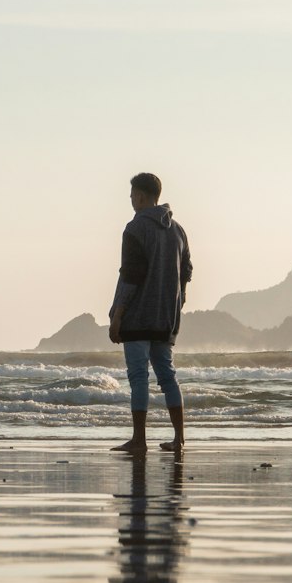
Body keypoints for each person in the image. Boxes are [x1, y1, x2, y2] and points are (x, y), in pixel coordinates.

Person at [109, 173, 192, 454]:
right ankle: (179, 439)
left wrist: (117, 314)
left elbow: (131, 275)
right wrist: (176, 303)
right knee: (168, 376)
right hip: (166, 318)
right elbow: (187, 271)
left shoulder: (135, 228)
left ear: (141, 196)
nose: (131, 200)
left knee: (138, 377)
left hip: (138, 316)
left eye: (132, 195)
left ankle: (139, 440)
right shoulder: (178, 230)